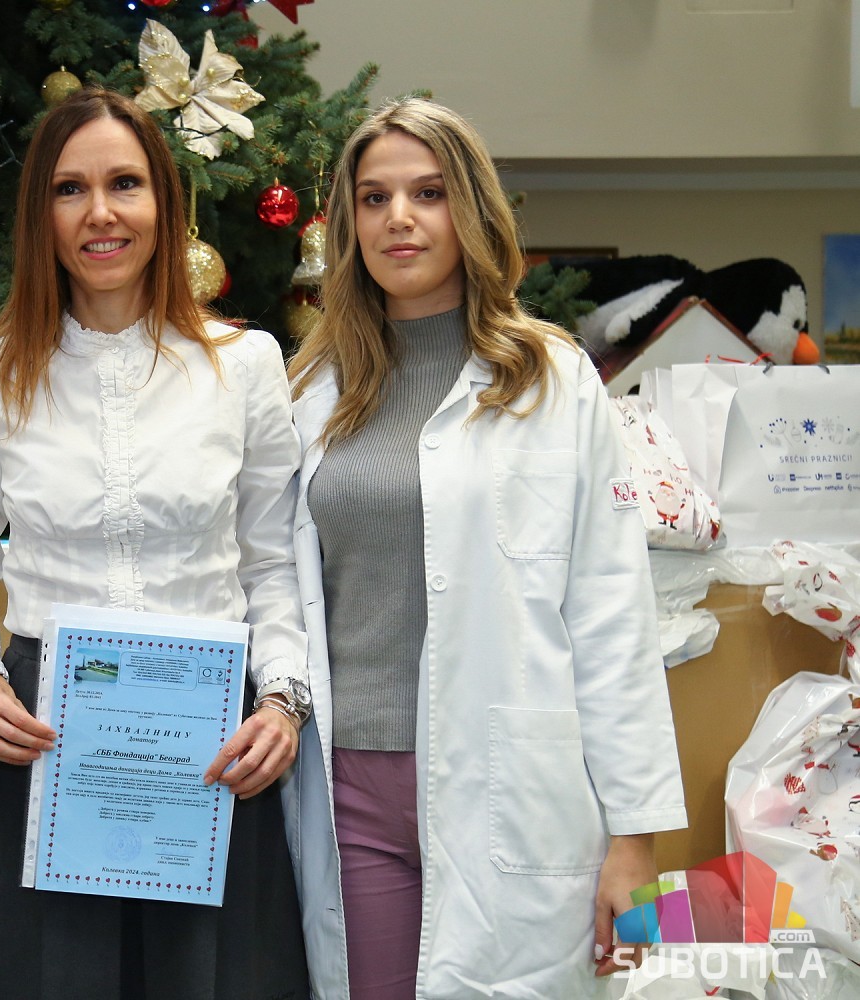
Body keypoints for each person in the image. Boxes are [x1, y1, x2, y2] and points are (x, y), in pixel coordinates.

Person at [0, 87, 311, 1000]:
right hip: (40, 743)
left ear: (164, 204)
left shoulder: (243, 366)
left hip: (212, 749)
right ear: (40, 216)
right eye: (70, 189)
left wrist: (283, 703)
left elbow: (272, 562)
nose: (100, 213)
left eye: (125, 183)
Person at [284, 98, 686, 999]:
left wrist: (637, 843)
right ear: (349, 224)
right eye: (375, 197)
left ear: (470, 209)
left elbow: (613, 616)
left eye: (427, 193)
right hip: (349, 787)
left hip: (509, 782)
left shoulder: (554, 380)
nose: (399, 218)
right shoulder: (310, 386)